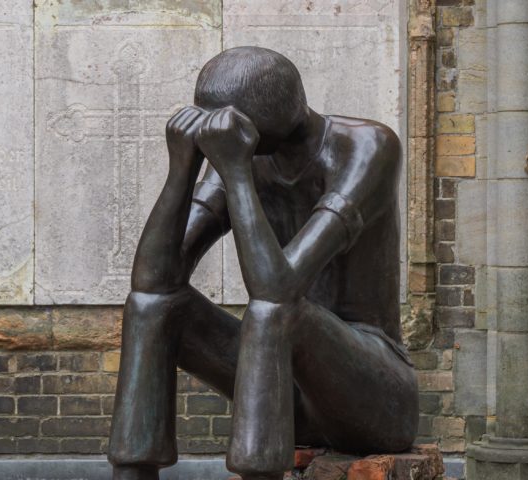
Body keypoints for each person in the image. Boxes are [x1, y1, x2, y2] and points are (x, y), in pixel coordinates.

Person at [109, 46, 418, 480]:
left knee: (274, 310)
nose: (213, 136)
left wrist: (236, 172)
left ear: (256, 129)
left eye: (225, 129)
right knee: (153, 305)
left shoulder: (367, 147)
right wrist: (181, 170)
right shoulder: (246, 155)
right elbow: (153, 278)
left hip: (373, 399)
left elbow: (277, 288)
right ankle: (132, 473)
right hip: (286, 392)